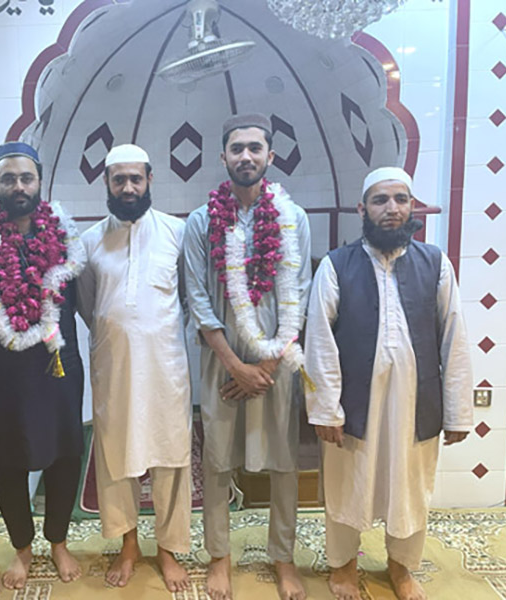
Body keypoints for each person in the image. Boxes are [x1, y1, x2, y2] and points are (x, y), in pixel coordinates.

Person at [304, 167, 473, 600]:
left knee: (411, 485)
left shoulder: (435, 263)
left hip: (416, 403)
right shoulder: (337, 265)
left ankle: (401, 568)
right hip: (354, 404)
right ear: (363, 209)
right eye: (380, 200)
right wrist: (325, 409)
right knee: (346, 483)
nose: (391, 209)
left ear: (412, 207)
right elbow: (319, 340)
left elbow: (454, 337)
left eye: (401, 199)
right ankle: (342, 565)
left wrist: (457, 410)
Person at [183, 114, 311, 600]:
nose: (246, 156)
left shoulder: (292, 218)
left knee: (283, 463)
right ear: (223, 157)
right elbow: (197, 297)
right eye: (237, 148)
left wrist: (268, 365)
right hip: (221, 362)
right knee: (216, 461)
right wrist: (237, 366)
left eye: (255, 148)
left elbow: (299, 293)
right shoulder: (201, 221)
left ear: (270, 157)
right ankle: (219, 557)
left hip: (278, 360)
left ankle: (284, 559)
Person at [0, 142, 85, 590]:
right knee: (10, 461)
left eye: (26, 178)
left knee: (65, 454)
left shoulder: (65, 235)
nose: (18, 186)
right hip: (1, 369)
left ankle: (58, 541)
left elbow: (82, 300)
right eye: (8, 179)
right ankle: (21, 547)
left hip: (58, 364)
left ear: (40, 181)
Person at [77, 144, 192, 593]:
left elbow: (187, 297)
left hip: (165, 369)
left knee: (171, 457)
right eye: (118, 179)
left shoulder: (177, 233)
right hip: (114, 368)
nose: (127, 187)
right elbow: (90, 306)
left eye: (135, 179)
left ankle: (168, 548)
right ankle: (129, 544)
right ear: (106, 183)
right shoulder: (89, 243)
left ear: (149, 180)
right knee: (116, 457)